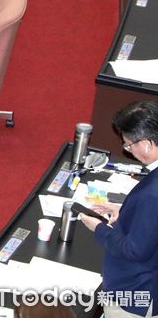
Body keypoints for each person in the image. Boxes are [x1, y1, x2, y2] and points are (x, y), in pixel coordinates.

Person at [79, 100, 158, 318]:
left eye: (129, 146)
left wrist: (99, 228)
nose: (128, 151)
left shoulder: (153, 194)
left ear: (146, 144)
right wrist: (127, 212)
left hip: (135, 293)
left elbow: (135, 251)